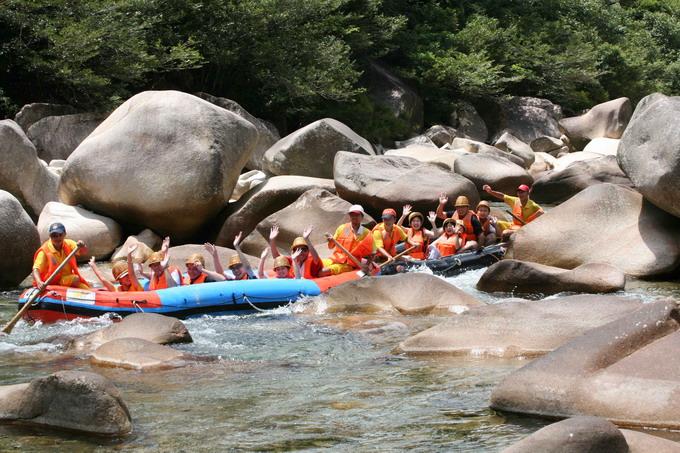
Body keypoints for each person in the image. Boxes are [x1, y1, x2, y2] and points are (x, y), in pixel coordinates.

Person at [33, 222, 90, 289]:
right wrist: (39, 282)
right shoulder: (44, 251)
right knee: (75, 279)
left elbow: (84, 252)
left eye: (60, 235)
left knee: (87, 288)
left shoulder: (69, 243)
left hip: (66, 280)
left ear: (64, 234)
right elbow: (36, 269)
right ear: (50, 236)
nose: (57, 238)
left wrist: (83, 246)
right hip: (50, 282)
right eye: (54, 235)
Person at [322, 205, 374, 275]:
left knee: (323, 271)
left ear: (362, 217)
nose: (354, 217)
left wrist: (367, 265)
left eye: (357, 215)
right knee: (317, 264)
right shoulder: (342, 228)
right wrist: (331, 241)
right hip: (335, 259)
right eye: (352, 215)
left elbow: (372, 253)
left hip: (350, 264)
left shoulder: (367, 233)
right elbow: (331, 247)